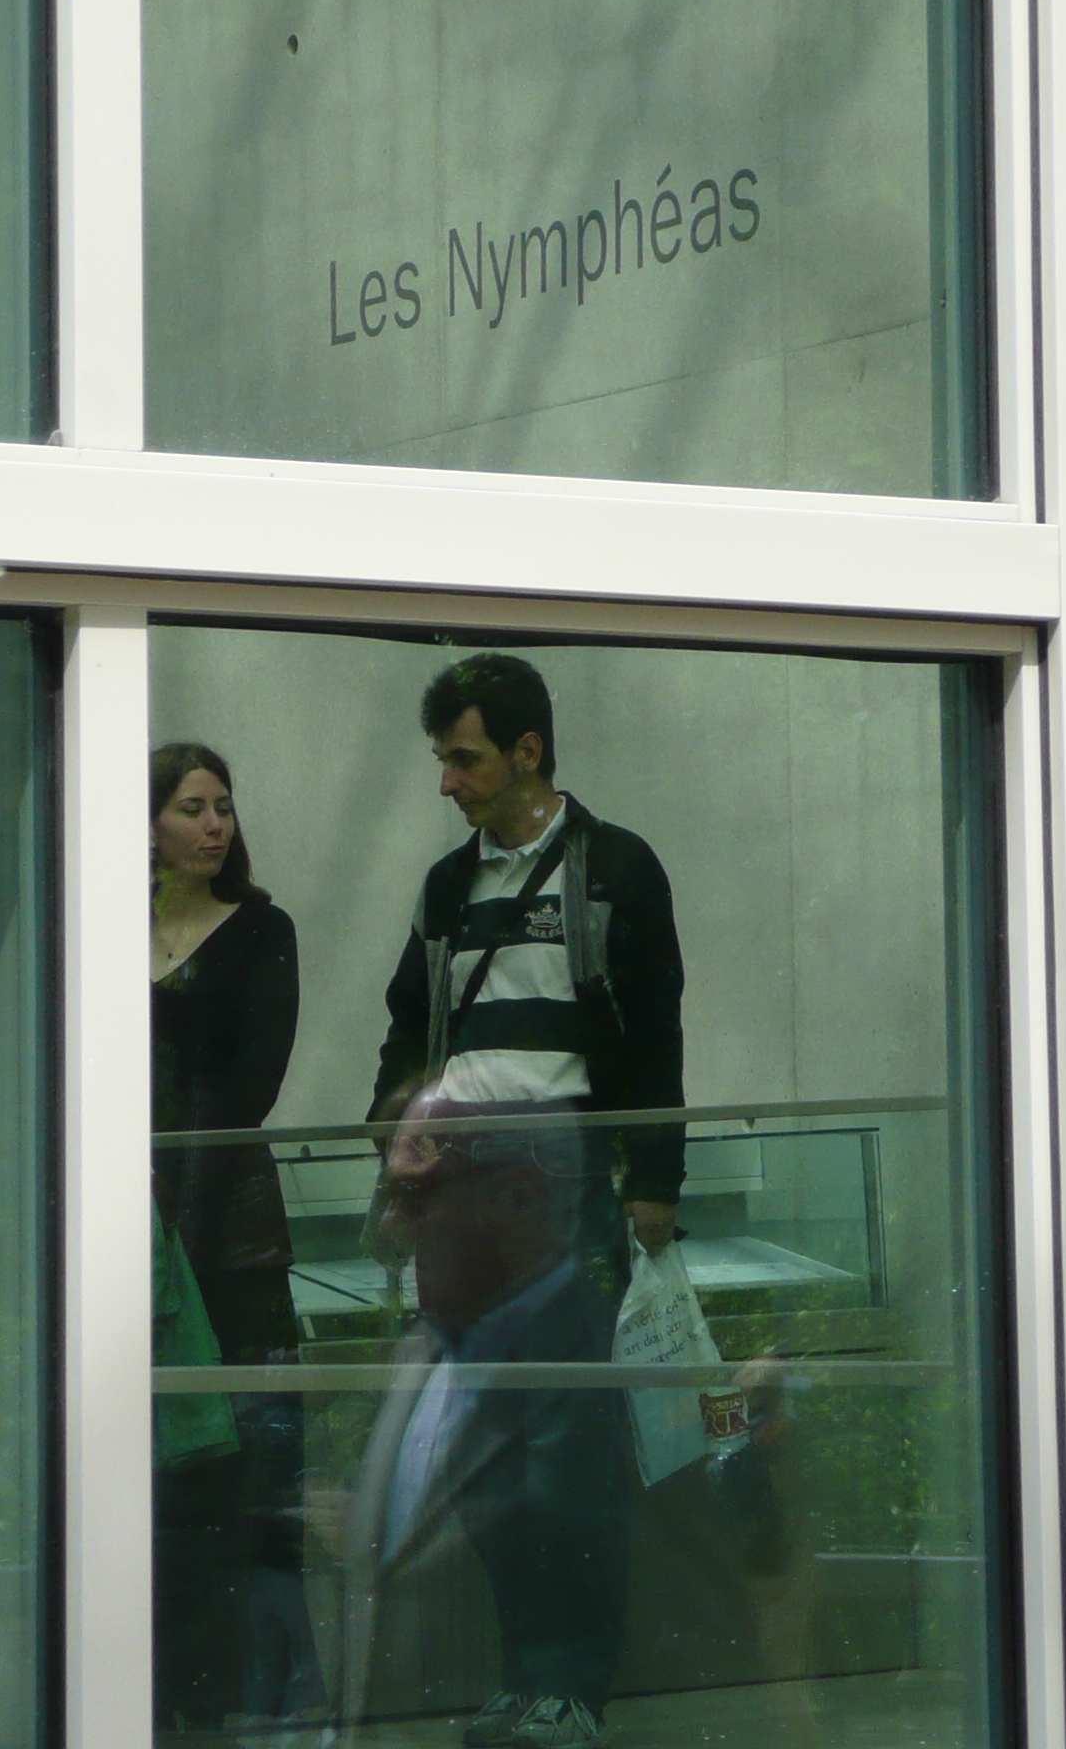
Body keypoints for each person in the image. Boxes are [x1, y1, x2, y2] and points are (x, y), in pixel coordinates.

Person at [363, 654, 686, 1749]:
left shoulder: (617, 871)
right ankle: (521, 1680)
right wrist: (392, 1136)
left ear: (528, 752)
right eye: (444, 760)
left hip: (569, 1184)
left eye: (463, 758)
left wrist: (653, 1186)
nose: (447, 783)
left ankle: (571, 1690)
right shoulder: (449, 889)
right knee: (487, 1447)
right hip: (462, 1193)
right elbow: (408, 1026)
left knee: (566, 1451)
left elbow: (656, 1036)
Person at [149, 742, 330, 1734]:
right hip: (137, 1249)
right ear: (146, 826)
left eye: (224, 806)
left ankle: (277, 1715)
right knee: (162, 1500)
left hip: (231, 1242)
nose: (214, 825)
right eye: (191, 807)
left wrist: (162, 1184)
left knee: (260, 1494)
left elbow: (246, 1087)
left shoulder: (261, 930)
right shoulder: (107, 932)